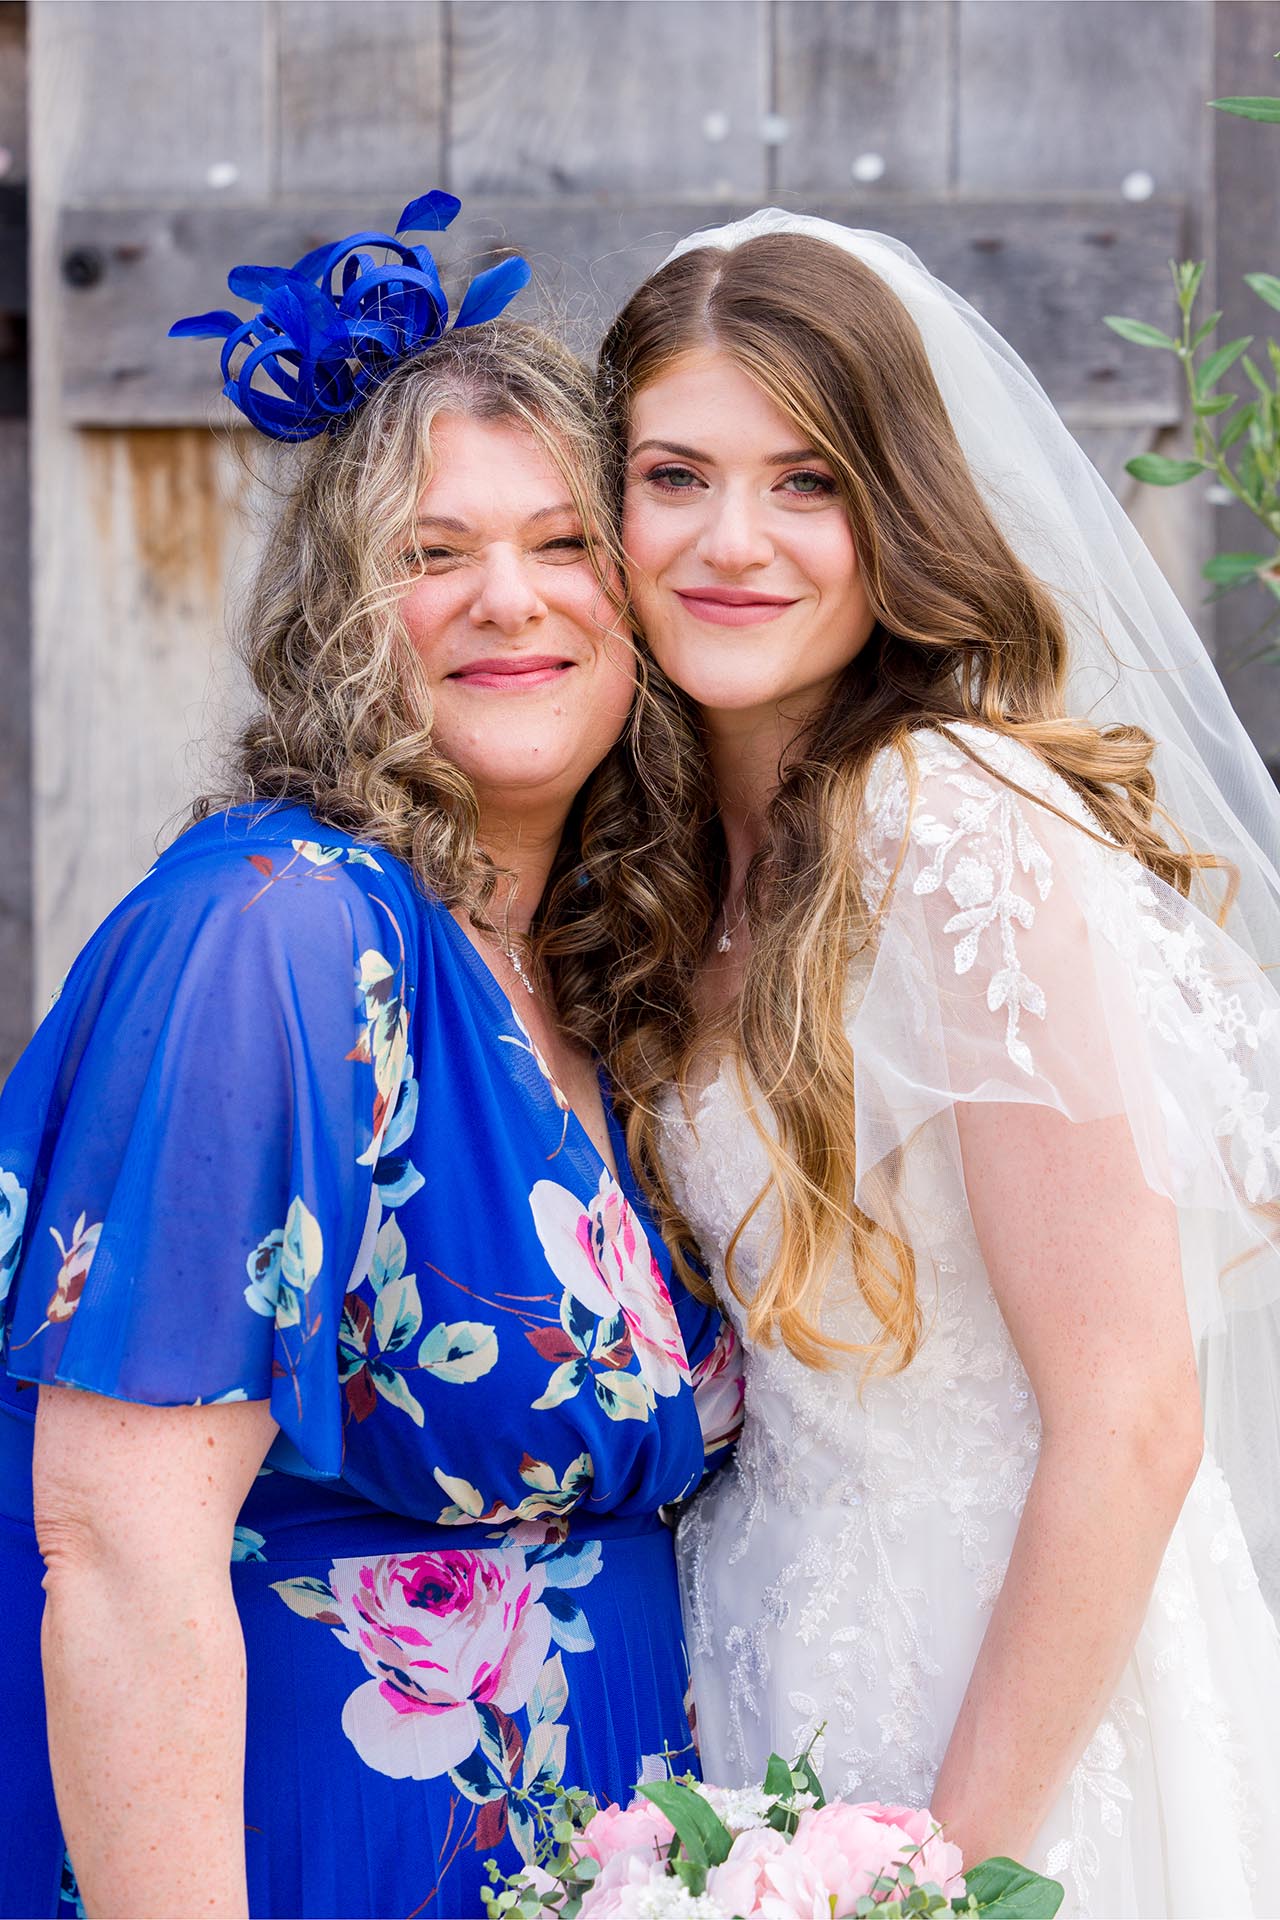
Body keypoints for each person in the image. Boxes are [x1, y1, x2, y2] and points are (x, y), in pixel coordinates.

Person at [0, 196, 739, 1920]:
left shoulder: (586, 974)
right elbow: (112, 1546)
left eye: (565, 544)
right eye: (431, 554)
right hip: (328, 1853)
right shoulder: (282, 928)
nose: (509, 599)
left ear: (635, 606)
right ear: (344, 613)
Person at [553, 210, 1280, 1917]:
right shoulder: (659, 858)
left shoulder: (959, 832)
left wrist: (939, 1880)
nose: (736, 541)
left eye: (809, 481)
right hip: (769, 1676)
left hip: (1016, 1718)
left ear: (902, 513)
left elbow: (1130, 1419)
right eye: (676, 475)